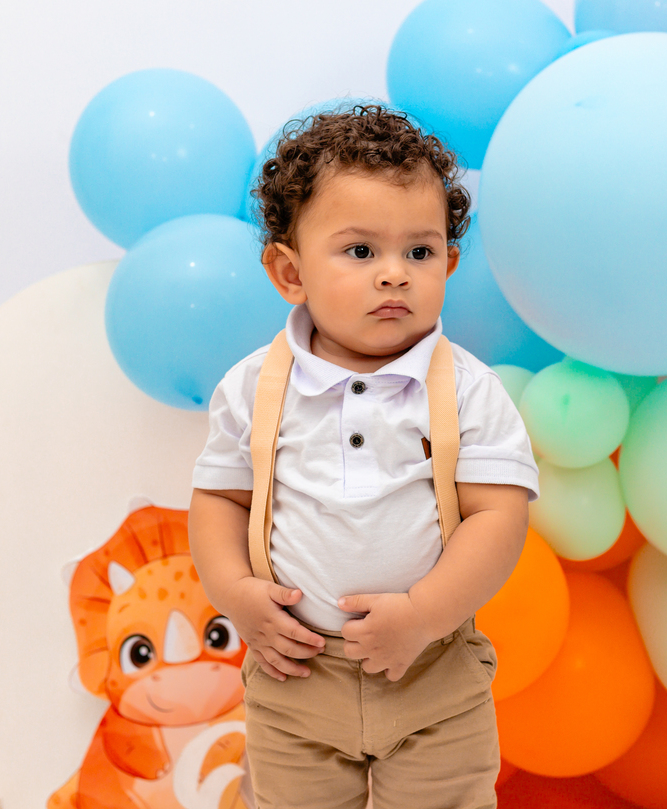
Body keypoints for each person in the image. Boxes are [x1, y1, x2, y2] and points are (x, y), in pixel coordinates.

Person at [187, 104, 539, 809]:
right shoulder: (253, 387)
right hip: (295, 672)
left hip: (431, 672)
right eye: (360, 252)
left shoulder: (469, 390)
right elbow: (220, 499)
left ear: (450, 263)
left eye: (420, 253)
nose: (394, 275)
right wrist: (235, 593)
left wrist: (423, 613)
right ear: (290, 272)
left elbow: (497, 519)